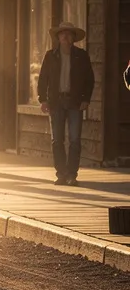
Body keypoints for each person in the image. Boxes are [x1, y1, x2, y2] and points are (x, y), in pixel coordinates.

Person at [37, 22, 94, 186]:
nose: (66, 37)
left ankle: (72, 175)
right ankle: (61, 174)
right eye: (63, 34)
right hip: (56, 102)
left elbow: (89, 80)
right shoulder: (50, 56)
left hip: (75, 101)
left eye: (69, 34)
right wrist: (43, 99)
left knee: (75, 139)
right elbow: (43, 79)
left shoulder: (81, 56)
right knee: (57, 140)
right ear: (58, 37)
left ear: (74, 38)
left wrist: (86, 99)